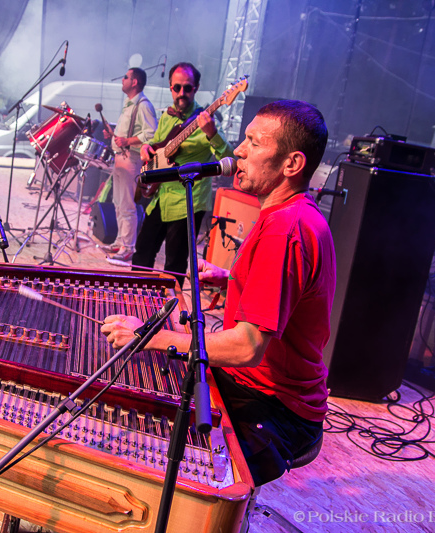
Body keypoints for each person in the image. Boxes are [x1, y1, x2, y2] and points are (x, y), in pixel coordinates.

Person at [102, 100, 335, 487]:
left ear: (292, 164)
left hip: (273, 405)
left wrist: (151, 336)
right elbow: (292, 294)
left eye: (254, 143)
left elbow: (247, 347)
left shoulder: (284, 229)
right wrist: (231, 278)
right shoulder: (297, 213)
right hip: (260, 388)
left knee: (152, 456)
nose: (239, 150)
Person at [133, 62, 234, 285]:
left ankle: (171, 306)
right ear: (170, 88)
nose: (181, 93)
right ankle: (137, 298)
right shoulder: (167, 116)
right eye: (176, 88)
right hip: (160, 196)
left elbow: (229, 158)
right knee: (141, 255)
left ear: (195, 88)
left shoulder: (206, 120)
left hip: (188, 201)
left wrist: (212, 133)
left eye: (187, 88)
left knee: (174, 266)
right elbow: (157, 143)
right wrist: (146, 147)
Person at [99, 67, 157, 263]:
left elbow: (152, 133)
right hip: (121, 158)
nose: (122, 80)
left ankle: (128, 247)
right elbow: (128, 133)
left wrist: (128, 141)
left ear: (134, 82)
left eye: (125, 77)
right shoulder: (130, 104)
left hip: (131, 159)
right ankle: (120, 241)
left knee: (127, 205)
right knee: (118, 203)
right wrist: (114, 135)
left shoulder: (143, 105)